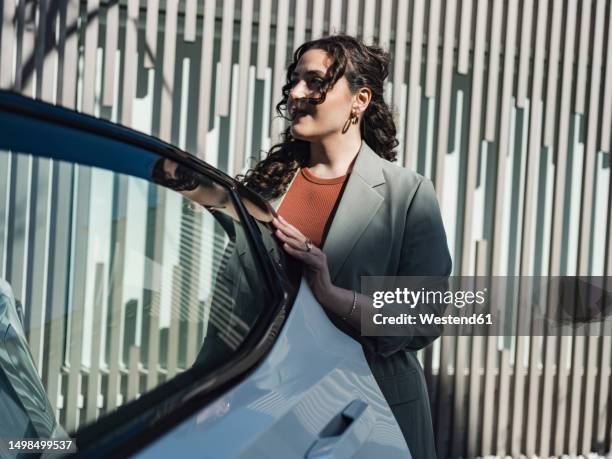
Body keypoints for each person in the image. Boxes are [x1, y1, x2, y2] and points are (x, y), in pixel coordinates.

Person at [238, 34, 452, 458]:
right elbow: (232, 303)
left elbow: (425, 316)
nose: (296, 93)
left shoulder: (406, 194)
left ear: (360, 99)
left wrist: (331, 293)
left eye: (315, 82)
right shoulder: (264, 187)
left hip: (374, 416)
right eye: (294, 81)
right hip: (269, 410)